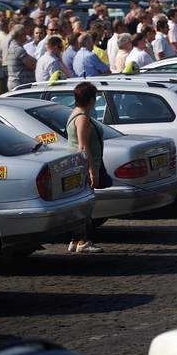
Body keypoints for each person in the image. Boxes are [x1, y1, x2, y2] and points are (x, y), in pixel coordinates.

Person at [66, 82, 106, 253]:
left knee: (79, 204)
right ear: (91, 99)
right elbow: (83, 147)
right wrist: (92, 171)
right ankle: (83, 241)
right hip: (83, 168)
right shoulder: (82, 118)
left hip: (79, 166)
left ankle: (76, 240)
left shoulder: (75, 113)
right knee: (84, 206)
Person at [6, 24, 37, 90]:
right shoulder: (18, 49)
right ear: (20, 36)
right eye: (25, 34)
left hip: (15, 83)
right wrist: (34, 62)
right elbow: (33, 66)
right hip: (20, 85)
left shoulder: (12, 47)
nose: (26, 36)